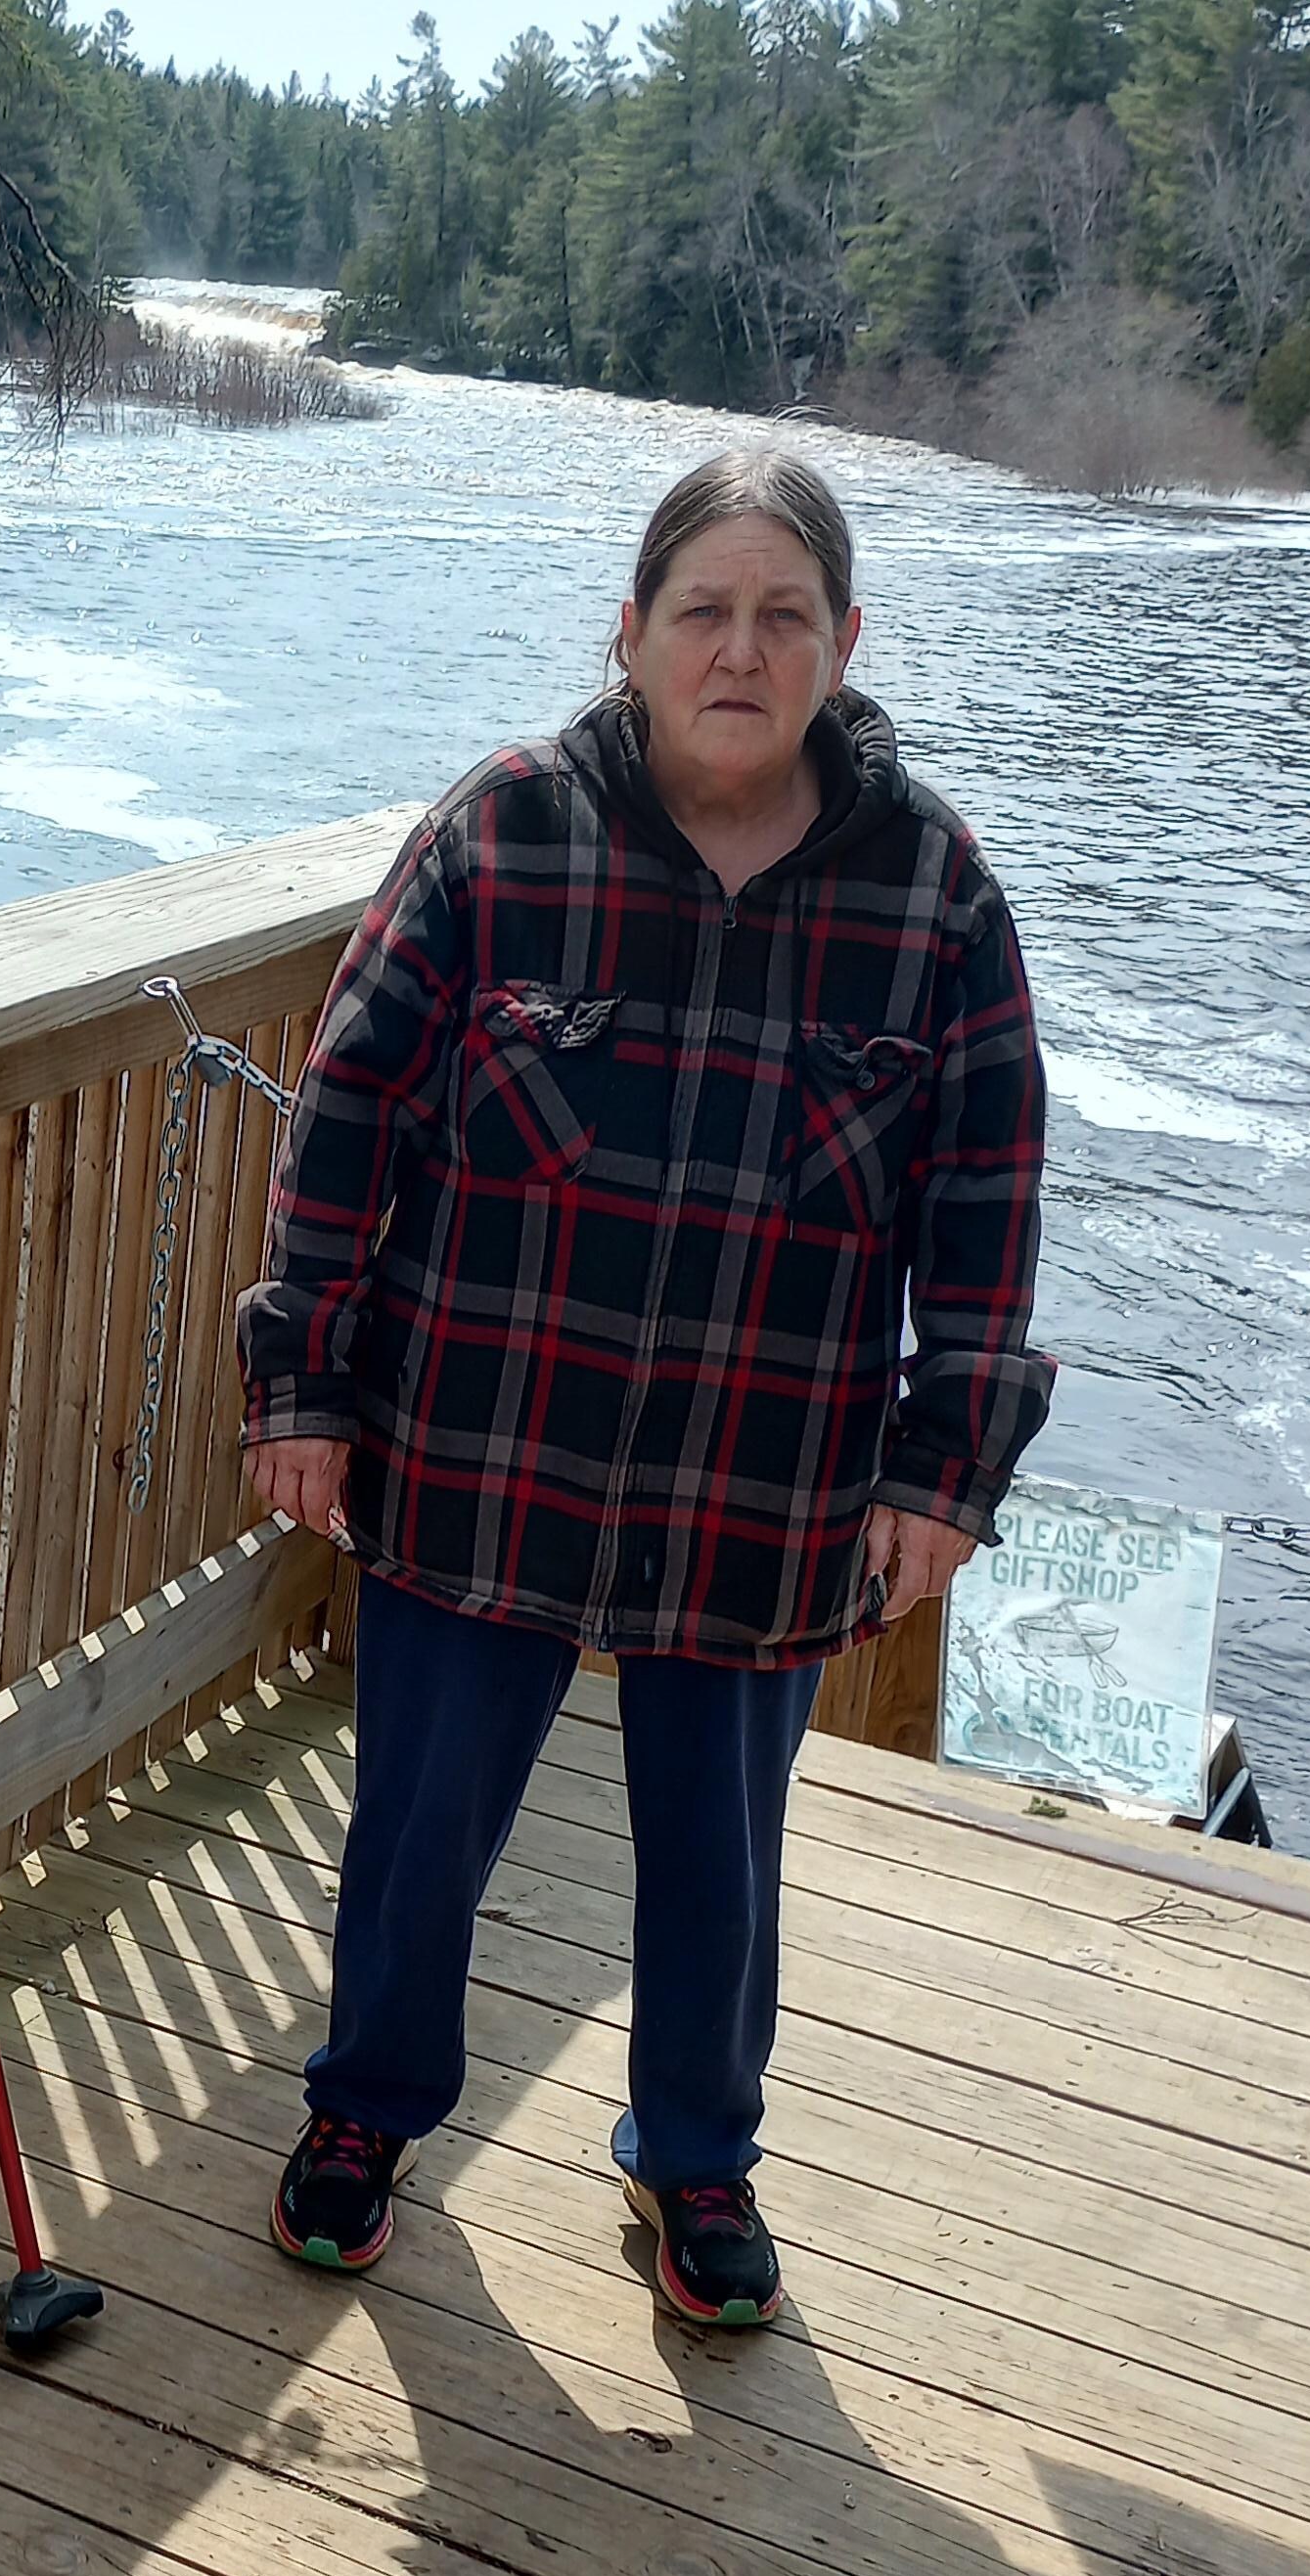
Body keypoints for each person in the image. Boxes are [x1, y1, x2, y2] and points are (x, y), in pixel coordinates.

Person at [237, 446, 1053, 2327]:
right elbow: (344, 1118)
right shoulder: (501, 834)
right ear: (630, 633)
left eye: (784, 616)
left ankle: (698, 2162)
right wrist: (302, 1383)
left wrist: (945, 1470)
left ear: (846, 645)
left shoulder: (935, 893)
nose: (741, 650)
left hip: (766, 1482)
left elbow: (987, 1202)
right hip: (479, 1446)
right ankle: (366, 2117)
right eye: (705, 610)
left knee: (721, 1855)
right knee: (420, 1822)